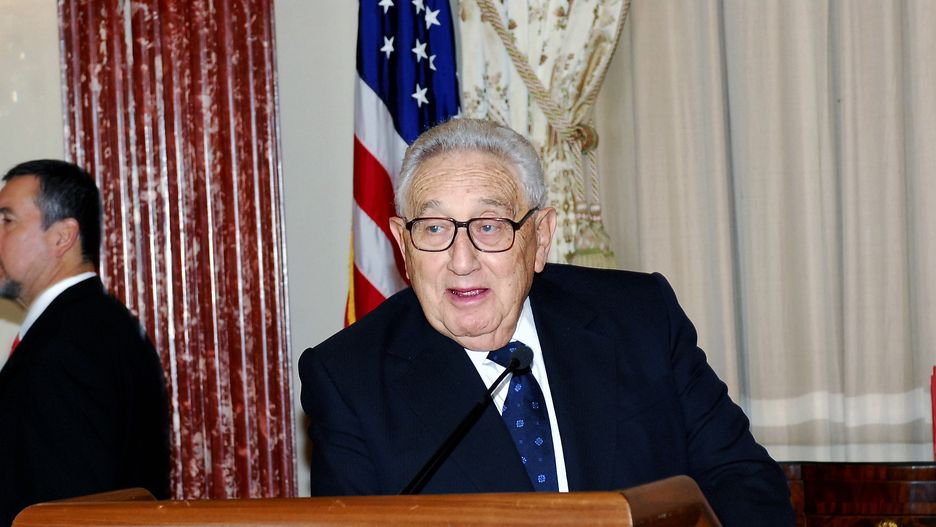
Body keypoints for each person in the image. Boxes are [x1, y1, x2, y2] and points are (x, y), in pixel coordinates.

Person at [300, 119, 794, 525]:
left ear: (540, 237)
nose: (462, 261)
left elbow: (744, 484)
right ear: (402, 245)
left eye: (489, 226)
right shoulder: (348, 379)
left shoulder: (639, 317)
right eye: (433, 228)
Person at [0, 160, 170, 526]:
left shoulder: (65, 349)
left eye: (7, 221)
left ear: (62, 237)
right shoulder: (99, 325)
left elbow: (72, 513)